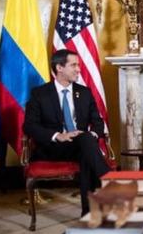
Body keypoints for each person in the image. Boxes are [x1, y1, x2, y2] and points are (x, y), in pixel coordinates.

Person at [23, 49, 110, 216]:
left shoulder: (84, 92)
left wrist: (91, 135)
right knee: (87, 148)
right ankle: (109, 179)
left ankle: (88, 214)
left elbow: (98, 123)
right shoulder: (40, 94)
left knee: (86, 146)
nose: (78, 69)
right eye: (74, 65)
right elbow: (29, 126)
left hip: (81, 145)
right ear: (59, 68)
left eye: (78, 65)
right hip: (53, 147)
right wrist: (58, 136)